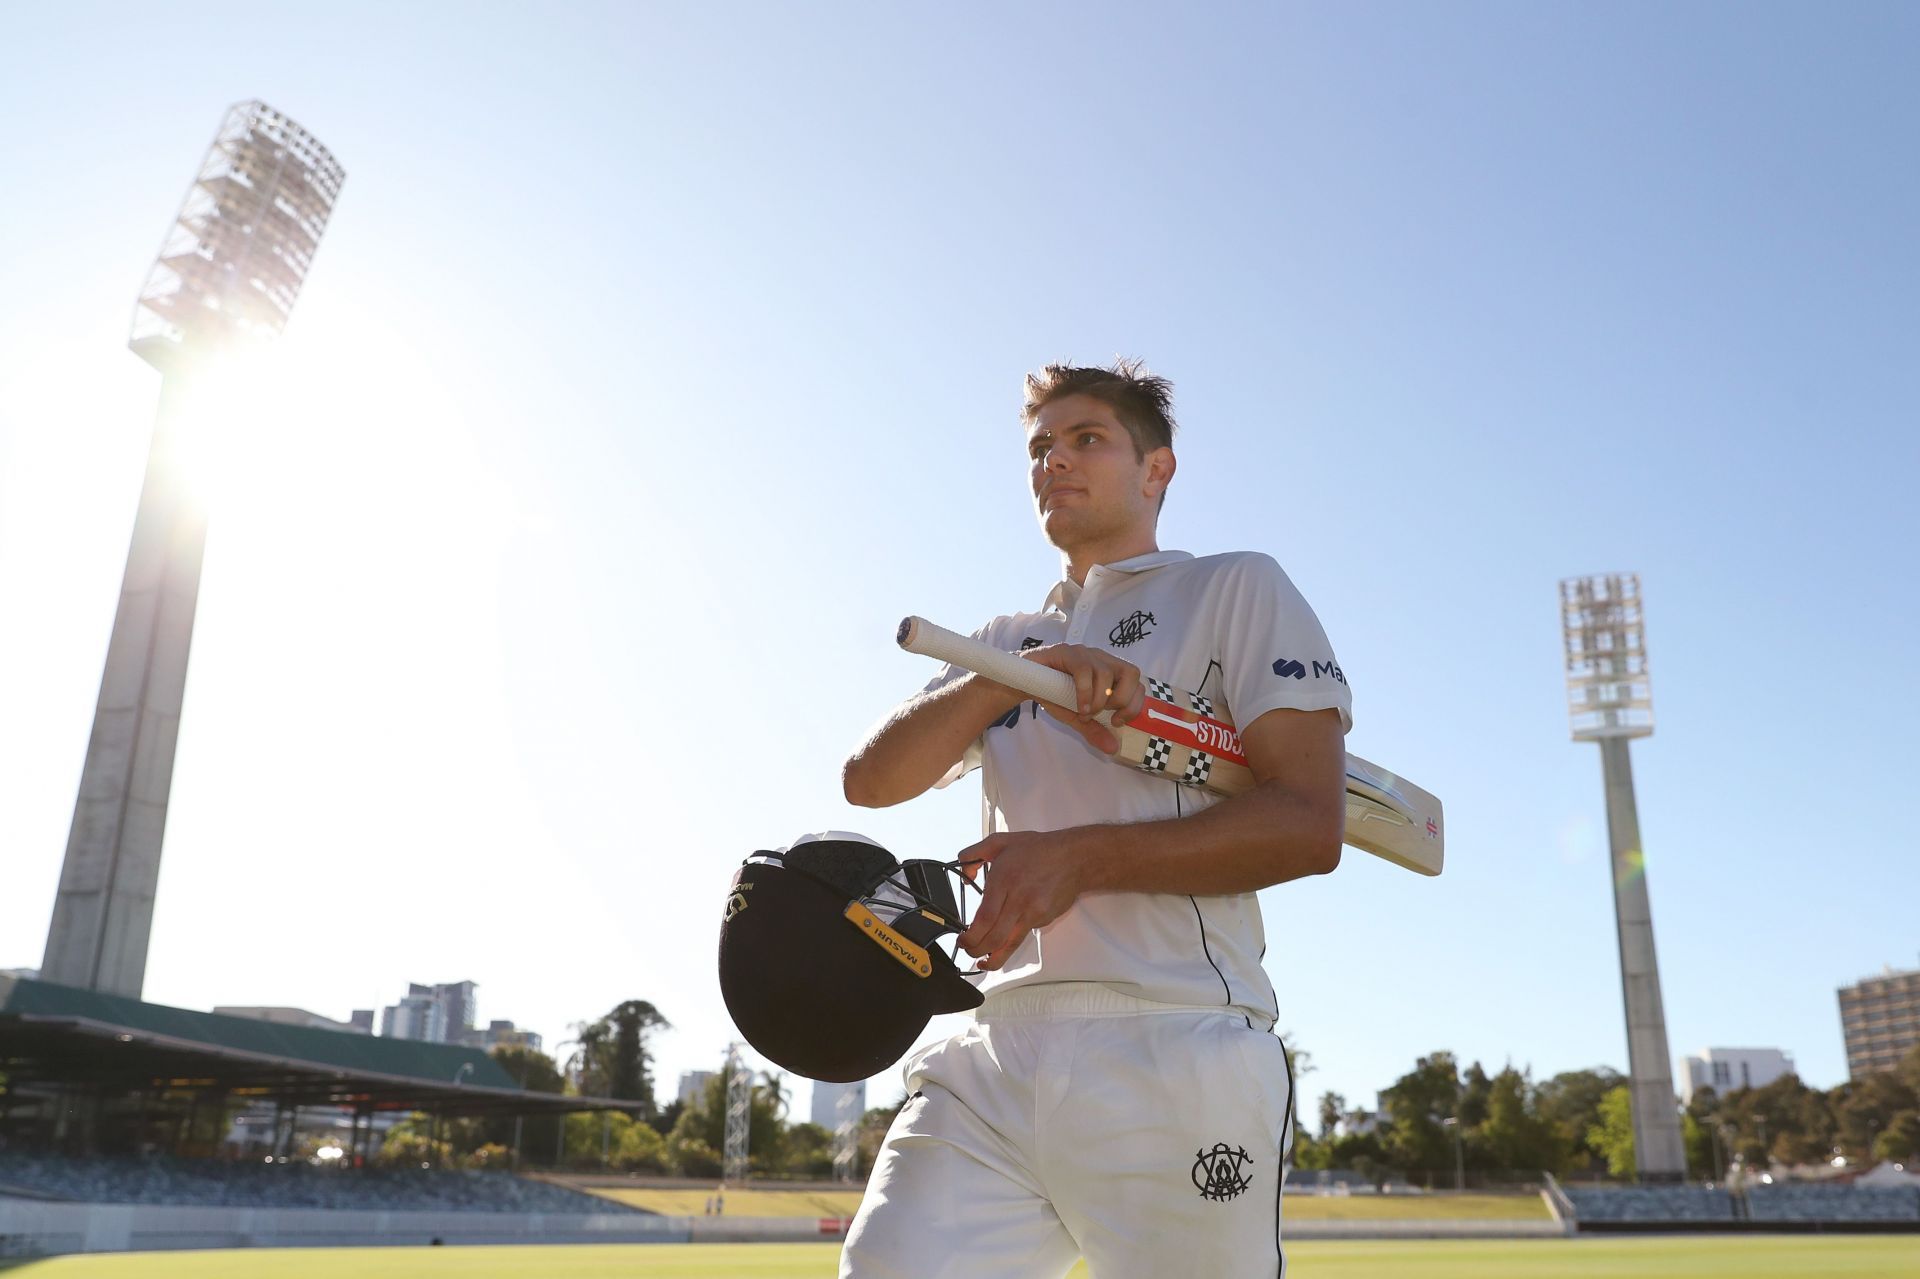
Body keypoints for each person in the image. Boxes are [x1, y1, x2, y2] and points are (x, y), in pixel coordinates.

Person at [837, 360, 1353, 1279]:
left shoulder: (1234, 588)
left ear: (1157, 470)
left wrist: (1079, 858)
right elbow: (870, 781)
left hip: (1174, 1039)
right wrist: (1007, 675)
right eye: (1040, 447)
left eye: (1086, 441)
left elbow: (1310, 823)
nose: (1054, 464)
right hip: (991, 1051)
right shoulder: (1000, 641)